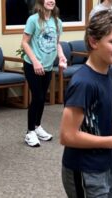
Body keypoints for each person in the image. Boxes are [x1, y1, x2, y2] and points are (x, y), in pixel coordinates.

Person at [60, 10, 112, 198]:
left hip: (107, 164)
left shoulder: (106, 72)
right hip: (85, 170)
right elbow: (67, 136)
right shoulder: (84, 83)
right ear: (94, 42)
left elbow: (93, 113)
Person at [20, 0, 68, 147]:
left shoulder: (57, 22)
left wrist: (61, 56)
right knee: (37, 97)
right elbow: (24, 43)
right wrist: (35, 62)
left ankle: (37, 126)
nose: (51, 1)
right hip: (32, 65)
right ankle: (29, 132)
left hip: (47, 66)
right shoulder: (33, 20)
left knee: (42, 98)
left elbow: (57, 43)